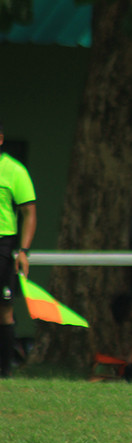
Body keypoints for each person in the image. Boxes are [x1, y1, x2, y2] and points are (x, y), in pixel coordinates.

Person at [0, 120, 37, 378]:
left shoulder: (15, 170)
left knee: (4, 307)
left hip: (3, 243)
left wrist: (23, 250)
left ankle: (4, 371)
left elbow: (29, 213)